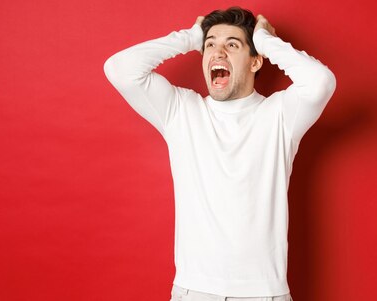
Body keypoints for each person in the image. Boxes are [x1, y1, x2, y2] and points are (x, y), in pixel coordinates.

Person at [103, 7, 335, 301]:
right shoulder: (180, 110)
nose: (218, 52)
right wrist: (190, 37)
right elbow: (119, 68)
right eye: (210, 44)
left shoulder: (280, 114)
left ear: (254, 62)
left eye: (232, 45)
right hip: (194, 292)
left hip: (264, 294)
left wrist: (264, 40)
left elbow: (321, 82)